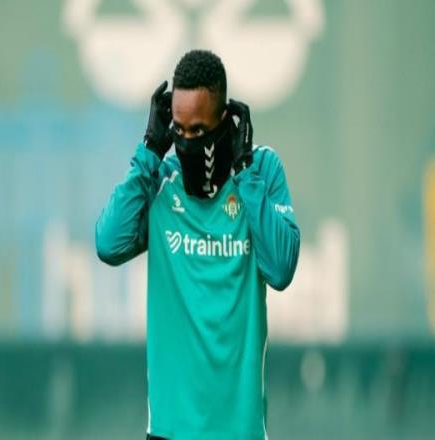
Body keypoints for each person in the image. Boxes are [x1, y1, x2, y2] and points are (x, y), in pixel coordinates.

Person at [96, 49, 300, 440]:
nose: (187, 141)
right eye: (180, 130)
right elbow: (108, 243)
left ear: (225, 121)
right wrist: (149, 151)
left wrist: (244, 173)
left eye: (199, 131)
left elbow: (280, 269)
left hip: (240, 431)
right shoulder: (160, 178)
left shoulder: (260, 170)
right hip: (170, 431)